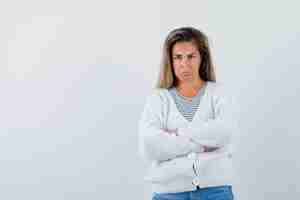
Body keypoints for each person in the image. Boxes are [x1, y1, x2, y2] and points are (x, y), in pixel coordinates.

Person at [138, 27, 239, 200]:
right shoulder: (158, 99)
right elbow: (150, 146)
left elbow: (225, 132)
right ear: (170, 60)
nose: (184, 63)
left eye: (191, 56)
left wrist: (178, 133)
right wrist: (202, 143)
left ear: (202, 58)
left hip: (215, 191)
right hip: (168, 193)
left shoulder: (218, 93)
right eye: (178, 57)